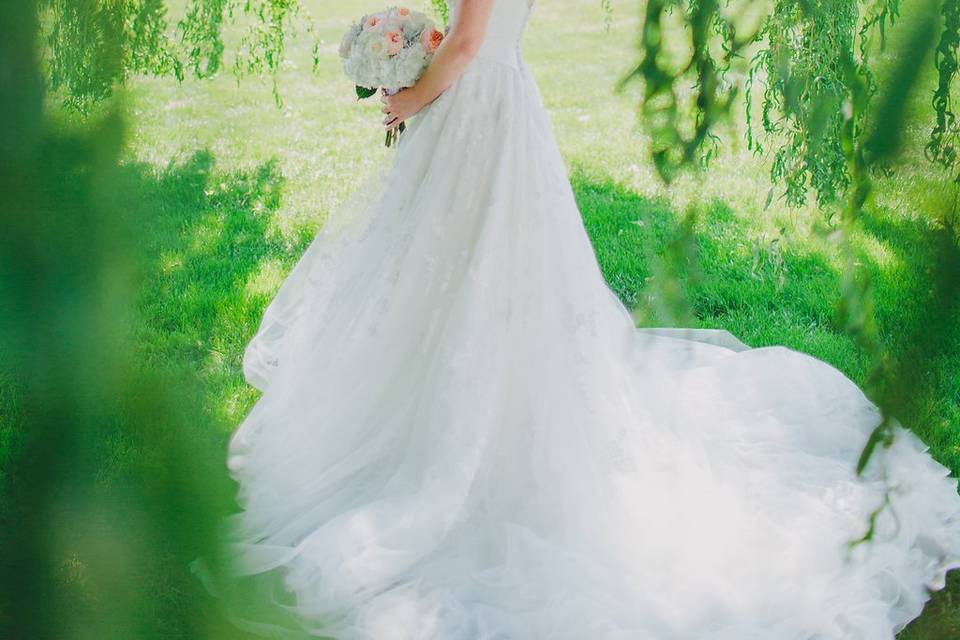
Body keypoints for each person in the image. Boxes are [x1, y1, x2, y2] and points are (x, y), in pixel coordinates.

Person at [222, 1, 960, 637]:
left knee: (473, 269)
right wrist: (415, 57)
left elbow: (472, 41)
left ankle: (465, 426)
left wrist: (412, 97)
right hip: (493, 103)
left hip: (480, 103)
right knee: (467, 271)